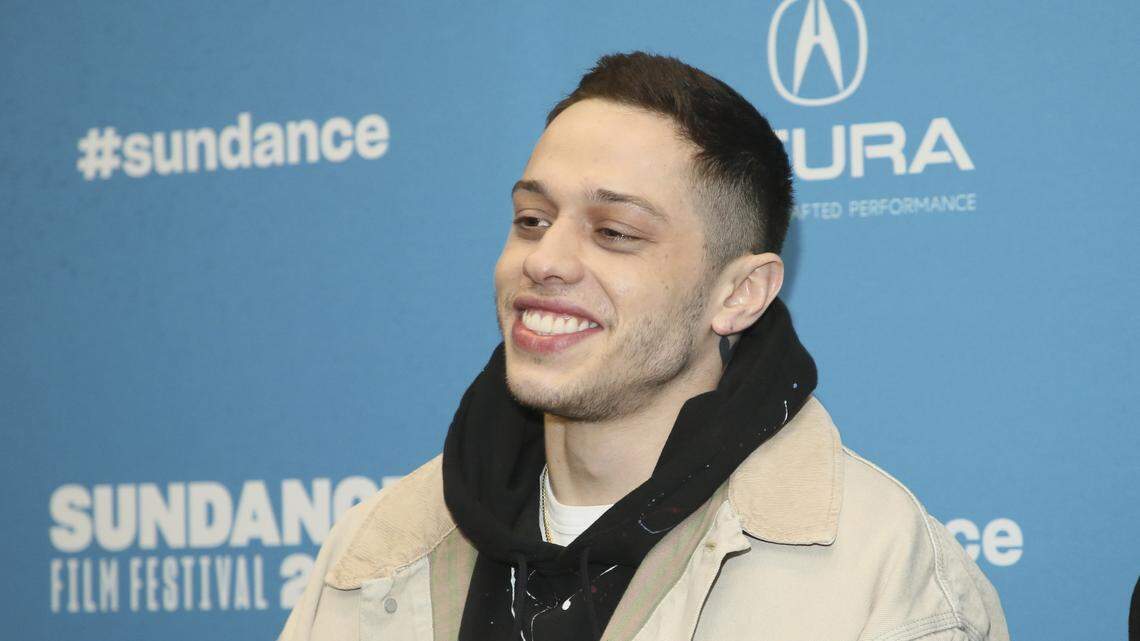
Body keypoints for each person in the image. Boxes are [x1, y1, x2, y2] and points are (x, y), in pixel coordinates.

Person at [278, 51, 1009, 641]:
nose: (546, 260)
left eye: (615, 233)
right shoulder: (373, 552)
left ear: (740, 294)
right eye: (532, 219)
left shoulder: (882, 575)